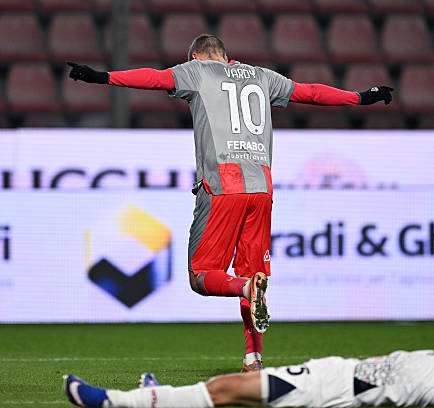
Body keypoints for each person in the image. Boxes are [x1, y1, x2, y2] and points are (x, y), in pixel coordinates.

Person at [67, 34, 394, 372]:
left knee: (201, 276)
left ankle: (244, 289)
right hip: (261, 188)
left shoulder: (196, 71)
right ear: (226, 55)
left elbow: (154, 77)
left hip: (223, 186)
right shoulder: (263, 76)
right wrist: (359, 97)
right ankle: (253, 359)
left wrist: (102, 77)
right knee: (255, 274)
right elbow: (310, 92)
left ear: (196, 56)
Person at [64, 310, 434, 408]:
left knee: (226, 389)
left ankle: (113, 402)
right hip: (342, 377)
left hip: (338, 388)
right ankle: (162, 398)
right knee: (231, 393)